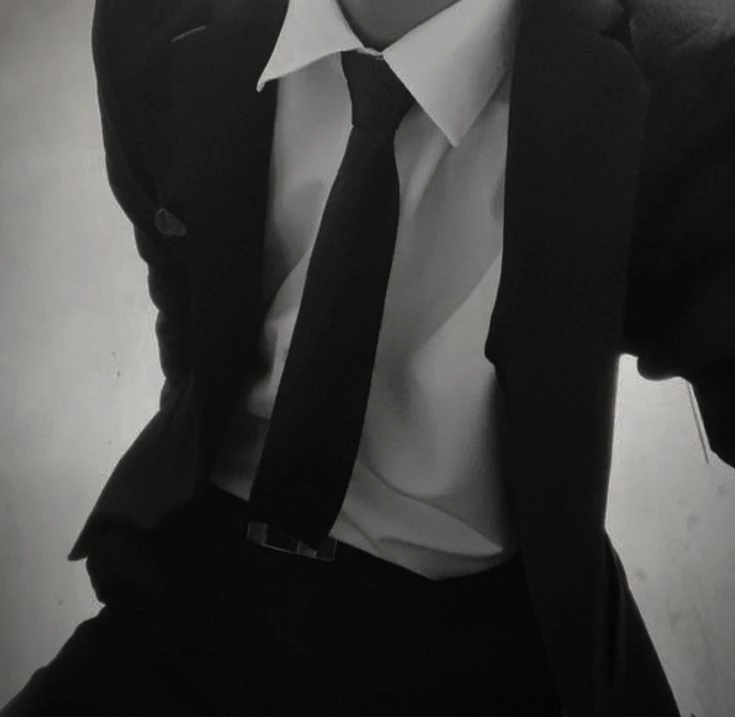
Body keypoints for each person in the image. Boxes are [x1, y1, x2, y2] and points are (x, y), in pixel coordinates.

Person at [3, 0, 734, 715]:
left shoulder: (681, 80)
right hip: (197, 574)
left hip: (486, 626)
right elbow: (185, 300)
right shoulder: (152, 20)